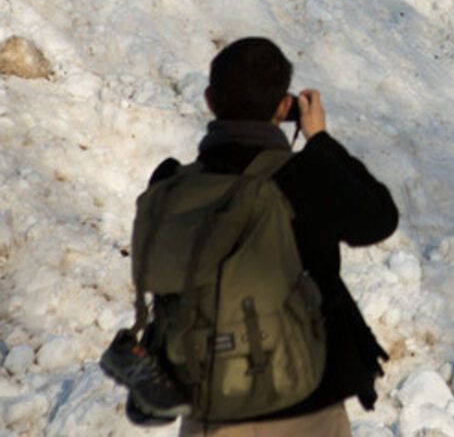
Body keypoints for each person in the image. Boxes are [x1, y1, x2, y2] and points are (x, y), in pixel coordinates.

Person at [143, 38, 398, 435]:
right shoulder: (305, 178)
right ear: (284, 107)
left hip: (213, 405)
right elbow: (379, 218)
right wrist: (320, 140)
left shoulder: (172, 188)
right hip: (308, 404)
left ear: (210, 100)